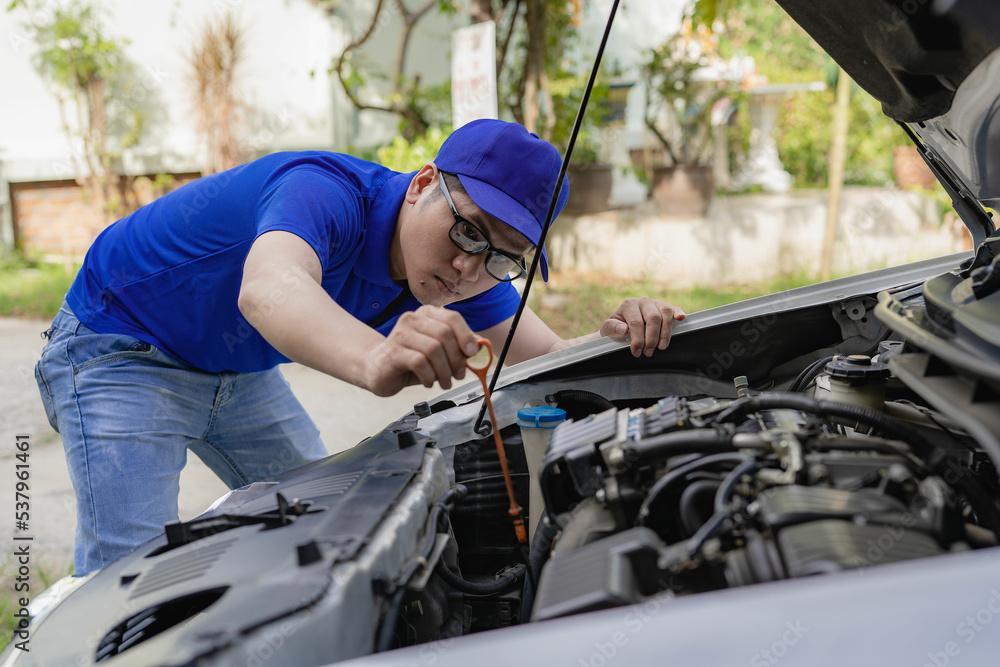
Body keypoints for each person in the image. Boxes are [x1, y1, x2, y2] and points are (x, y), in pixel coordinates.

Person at [35, 119, 685, 576]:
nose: (467, 267)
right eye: (465, 229)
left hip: (235, 371)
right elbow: (268, 288)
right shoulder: (325, 191)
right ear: (424, 181)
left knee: (325, 519)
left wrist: (624, 333)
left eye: (501, 257)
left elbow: (547, 356)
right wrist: (374, 358)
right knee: (126, 579)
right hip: (119, 347)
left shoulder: (467, 276)